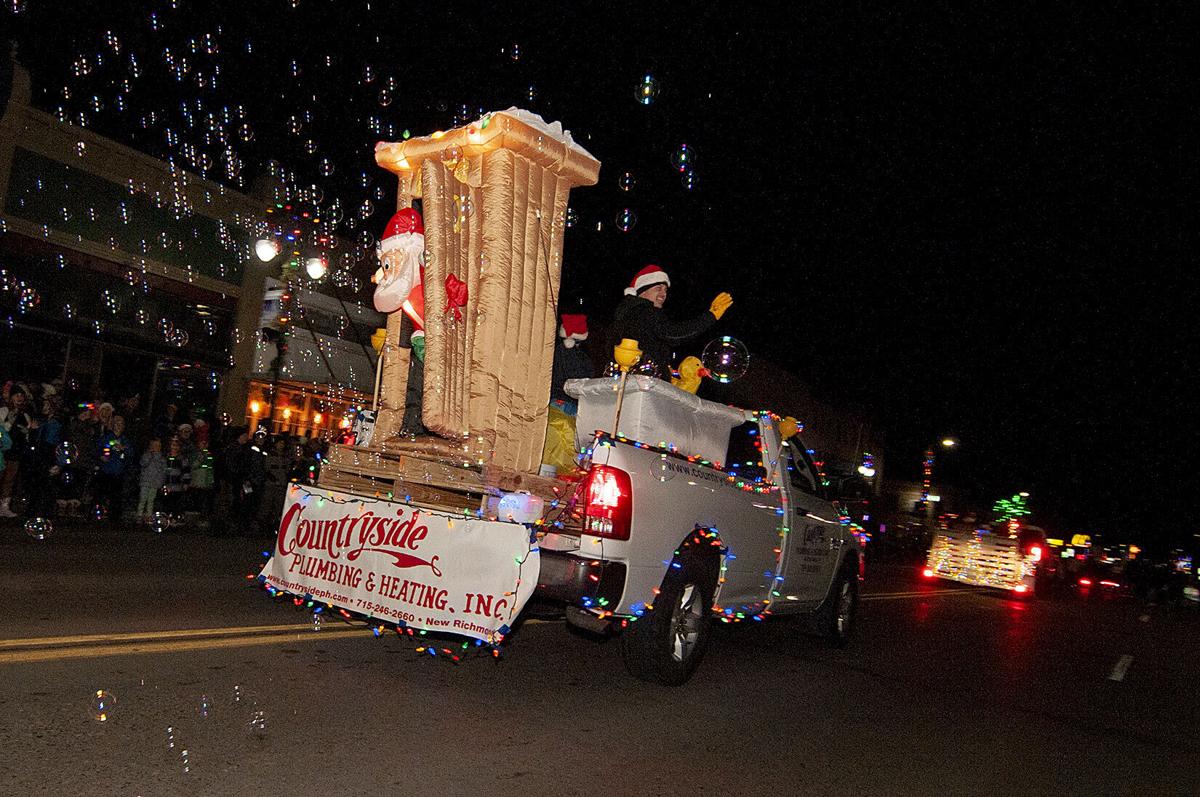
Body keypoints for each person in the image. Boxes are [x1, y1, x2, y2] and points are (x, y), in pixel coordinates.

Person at [609, 264, 732, 380]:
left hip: (630, 381)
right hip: (642, 386)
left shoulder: (628, 314)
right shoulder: (644, 311)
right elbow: (673, 333)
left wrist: (666, 371)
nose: (663, 294)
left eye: (665, 290)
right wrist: (710, 317)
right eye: (658, 289)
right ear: (642, 291)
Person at [0, 388, 35, 517]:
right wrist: (8, 422)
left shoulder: (25, 415)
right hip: (2, 450)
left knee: (10, 479)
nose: (19, 398)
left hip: (16, 451)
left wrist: (28, 432)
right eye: (17, 395)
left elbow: (27, 435)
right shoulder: (3, 411)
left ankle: (4, 506)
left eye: (22, 396)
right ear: (11, 397)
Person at [93, 415, 133, 523]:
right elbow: (98, 450)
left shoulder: (125, 441)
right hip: (106, 471)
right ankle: (97, 514)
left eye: (121, 423)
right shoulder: (107, 437)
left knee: (116, 496)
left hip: (118, 472)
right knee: (101, 493)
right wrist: (102, 456)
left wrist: (123, 451)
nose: (119, 425)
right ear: (112, 425)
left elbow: (129, 456)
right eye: (116, 423)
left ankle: (114, 517)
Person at [137, 439, 167, 522]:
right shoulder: (146, 455)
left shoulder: (162, 458)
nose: (156, 447)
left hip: (155, 482)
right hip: (145, 481)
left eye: (158, 446)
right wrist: (150, 455)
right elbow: (143, 463)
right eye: (154, 445)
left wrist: (162, 482)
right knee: (142, 499)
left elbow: (164, 470)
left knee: (151, 499)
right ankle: (139, 514)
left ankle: (149, 515)